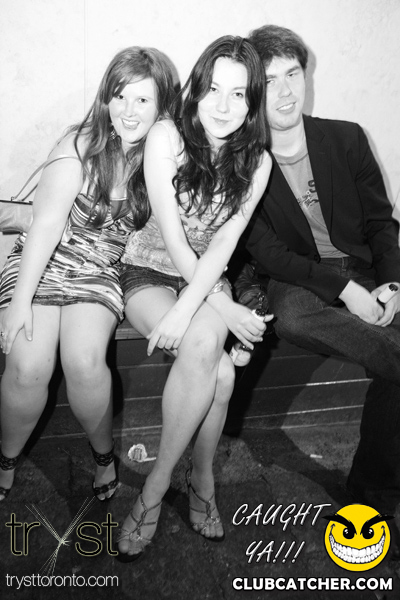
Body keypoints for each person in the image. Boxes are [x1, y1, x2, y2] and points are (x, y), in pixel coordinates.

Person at [115, 35, 272, 561]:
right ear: (197, 89)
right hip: (149, 267)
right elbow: (173, 235)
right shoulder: (167, 137)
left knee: (219, 371)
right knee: (217, 367)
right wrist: (216, 306)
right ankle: (185, 482)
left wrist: (203, 302)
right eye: (213, 90)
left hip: (207, 277)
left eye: (239, 94)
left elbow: (225, 242)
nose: (223, 106)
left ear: (252, 103)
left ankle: (172, 482)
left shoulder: (258, 161)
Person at [0, 46, 176, 503]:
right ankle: (6, 458)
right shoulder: (80, 144)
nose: (128, 110)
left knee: (83, 361)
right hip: (44, 259)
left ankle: (103, 456)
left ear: (161, 105)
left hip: (100, 270)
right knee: (27, 366)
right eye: (120, 96)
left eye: (142, 99)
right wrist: (19, 302)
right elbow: (45, 227)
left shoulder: (163, 155)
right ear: (106, 98)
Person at [242, 24, 400, 526]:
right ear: (254, 91)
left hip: (366, 267)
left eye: (293, 74)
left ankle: (371, 490)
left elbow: (381, 223)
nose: (286, 91)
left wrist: (392, 283)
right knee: (291, 315)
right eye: (270, 81)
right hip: (299, 277)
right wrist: (346, 291)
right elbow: (270, 255)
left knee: (393, 365)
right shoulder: (244, 163)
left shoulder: (346, 138)